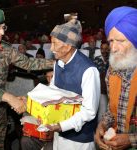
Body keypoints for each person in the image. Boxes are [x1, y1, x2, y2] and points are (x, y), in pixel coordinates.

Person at [0, 8, 53, 150]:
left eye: (3, 27)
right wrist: (10, 98)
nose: (3, 32)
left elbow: (28, 63)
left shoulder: (5, 49)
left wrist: (55, 63)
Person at [46, 19, 100, 150]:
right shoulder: (58, 63)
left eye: (55, 43)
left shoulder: (88, 70)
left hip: (79, 141)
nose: (51, 48)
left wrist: (62, 125)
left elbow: (89, 111)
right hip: (59, 133)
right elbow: (53, 91)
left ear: (68, 46)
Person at [95, 6, 137, 150]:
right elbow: (112, 109)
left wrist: (132, 139)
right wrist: (102, 124)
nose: (113, 48)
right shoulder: (112, 70)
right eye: (111, 41)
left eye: (120, 40)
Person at [93, 40, 109, 122]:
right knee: (102, 110)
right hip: (101, 89)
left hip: (111, 88)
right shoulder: (96, 60)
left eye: (106, 49)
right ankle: (100, 128)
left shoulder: (112, 60)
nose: (104, 51)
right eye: (102, 49)